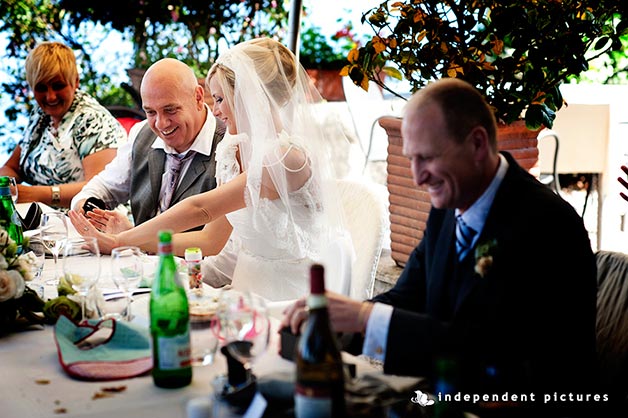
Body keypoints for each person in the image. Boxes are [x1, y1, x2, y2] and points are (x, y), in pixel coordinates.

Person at [283, 78, 600, 415]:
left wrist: (365, 318)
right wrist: (338, 324)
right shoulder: (449, 206)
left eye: (427, 158)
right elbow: (408, 297)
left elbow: (493, 350)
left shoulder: (547, 225)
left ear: (477, 144)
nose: (418, 177)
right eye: (411, 159)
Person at [69, 37, 349, 302]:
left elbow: (201, 209)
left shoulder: (286, 158)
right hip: (242, 283)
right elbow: (211, 239)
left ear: (249, 96)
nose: (214, 110)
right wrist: (137, 241)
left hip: (287, 295)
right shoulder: (235, 147)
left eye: (220, 99)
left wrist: (120, 241)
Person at [0, 41, 124, 208]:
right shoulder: (40, 116)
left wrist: (36, 194)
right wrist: (6, 187)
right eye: (41, 88)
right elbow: (12, 168)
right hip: (43, 216)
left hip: (92, 218)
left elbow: (103, 190)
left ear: (76, 81)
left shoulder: (92, 119)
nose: (50, 96)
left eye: (58, 86)